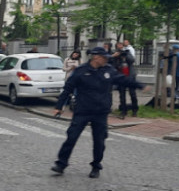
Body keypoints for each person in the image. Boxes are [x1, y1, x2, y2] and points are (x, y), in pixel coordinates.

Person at [51, 46, 146, 179]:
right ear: (96, 57)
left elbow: (123, 80)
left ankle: (96, 166)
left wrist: (140, 85)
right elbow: (68, 89)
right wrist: (59, 106)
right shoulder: (81, 71)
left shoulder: (109, 70)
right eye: (104, 57)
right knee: (71, 137)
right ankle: (61, 164)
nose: (106, 60)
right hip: (82, 110)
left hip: (100, 112)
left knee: (99, 141)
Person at [112, 42, 138, 118]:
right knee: (122, 95)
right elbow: (113, 64)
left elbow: (132, 60)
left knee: (132, 93)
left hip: (130, 76)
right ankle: (123, 111)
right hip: (121, 77)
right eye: (118, 46)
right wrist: (115, 56)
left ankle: (134, 110)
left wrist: (125, 55)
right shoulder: (115, 54)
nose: (120, 47)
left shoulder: (127, 52)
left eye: (121, 46)